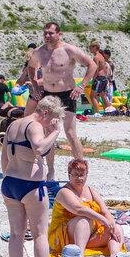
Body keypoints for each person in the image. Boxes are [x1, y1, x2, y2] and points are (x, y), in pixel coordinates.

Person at [1, 96, 64, 257]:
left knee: (16, 234)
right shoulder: (35, 125)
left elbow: (4, 157)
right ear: (44, 112)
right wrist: (55, 131)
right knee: (39, 234)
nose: (50, 124)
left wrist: (9, 177)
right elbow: (39, 147)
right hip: (31, 185)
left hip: (10, 184)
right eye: (52, 119)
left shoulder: (12, 125)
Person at [27, 22, 96, 180]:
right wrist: (36, 87)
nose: (47, 36)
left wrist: (82, 85)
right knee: (48, 132)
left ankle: (81, 168)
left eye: (51, 33)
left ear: (59, 34)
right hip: (48, 95)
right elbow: (31, 68)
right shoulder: (38, 52)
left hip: (67, 93)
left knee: (70, 133)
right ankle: (50, 171)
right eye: (45, 33)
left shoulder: (68, 50)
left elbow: (91, 65)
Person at [48, 158, 130, 257]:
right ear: (69, 175)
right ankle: (79, 256)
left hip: (89, 234)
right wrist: (103, 220)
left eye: (82, 175)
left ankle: (114, 255)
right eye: (75, 174)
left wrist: (112, 225)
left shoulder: (91, 190)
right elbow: (78, 209)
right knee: (83, 220)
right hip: (64, 236)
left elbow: (104, 210)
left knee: (117, 228)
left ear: (86, 175)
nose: (79, 178)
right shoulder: (64, 192)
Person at [87, 42, 110, 112]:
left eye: (90, 47)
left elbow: (95, 69)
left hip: (99, 78)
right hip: (104, 78)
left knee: (92, 96)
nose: (89, 49)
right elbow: (104, 68)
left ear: (95, 47)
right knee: (103, 96)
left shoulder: (96, 57)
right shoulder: (101, 56)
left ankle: (96, 113)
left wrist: (93, 79)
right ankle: (108, 112)